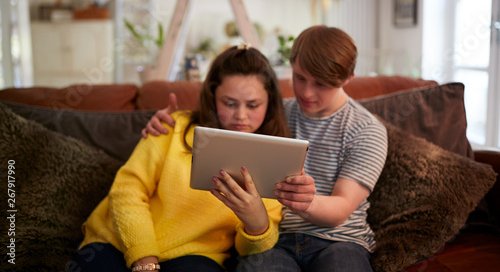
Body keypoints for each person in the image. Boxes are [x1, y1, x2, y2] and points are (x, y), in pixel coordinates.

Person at [143, 25, 388, 271]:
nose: (306, 92)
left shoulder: (366, 130)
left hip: (341, 240)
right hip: (274, 240)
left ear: (348, 79)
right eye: (300, 77)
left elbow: (341, 208)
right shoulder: (271, 113)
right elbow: (221, 122)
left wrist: (303, 201)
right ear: (291, 64)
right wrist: (167, 123)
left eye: (322, 84)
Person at [71, 44, 289, 272]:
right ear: (213, 96)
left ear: (270, 102)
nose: (241, 116)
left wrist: (257, 225)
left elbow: (250, 252)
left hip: (196, 258)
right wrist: (144, 258)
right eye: (230, 103)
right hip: (117, 242)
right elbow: (126, 191)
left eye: (253, 105)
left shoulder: (273, 158)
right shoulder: (173, 127)